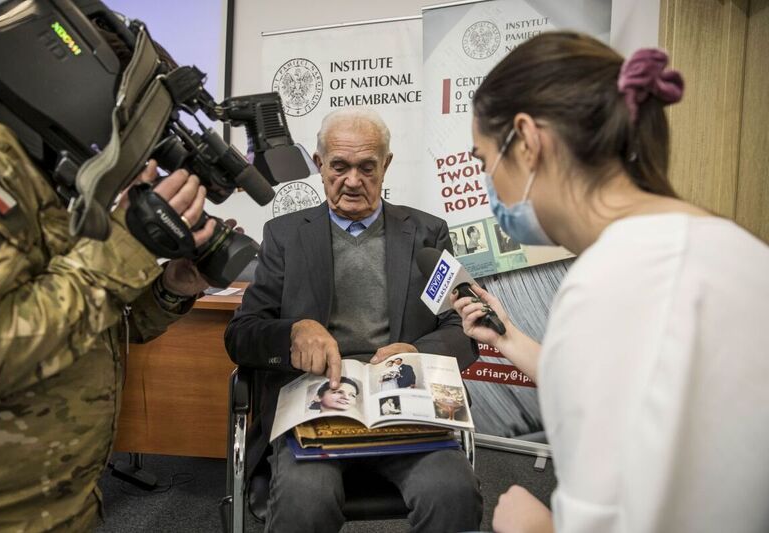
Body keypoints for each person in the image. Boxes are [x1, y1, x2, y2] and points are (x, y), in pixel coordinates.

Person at [452, 32, 769, 533]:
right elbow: (658, 387)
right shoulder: (739, 250)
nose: (487, 182)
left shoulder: (610, 282)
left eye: (482, 160)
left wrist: (533, 526)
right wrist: (508, 338)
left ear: (528, 142)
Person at [225, 107, 482, 533]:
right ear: (319, 164)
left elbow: (462, 330)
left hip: (406, 407)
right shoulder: (285, 236)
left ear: (387, 165)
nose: (352, 181)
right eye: (339, 166)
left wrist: (417, 352)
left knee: (452, 491)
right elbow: (241, 336)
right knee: (306, 499)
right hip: (314, 412)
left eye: (367, 167)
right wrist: (292, 332)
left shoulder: (426, 233)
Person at [0, 116, 215, 531]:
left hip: (63, 499)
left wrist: (169, 289)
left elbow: (93, 324)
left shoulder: (48, 168)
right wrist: (123, 251)